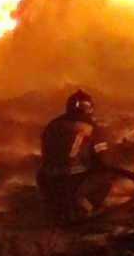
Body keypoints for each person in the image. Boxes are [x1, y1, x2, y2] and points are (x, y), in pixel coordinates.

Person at [36, 89, 112, 224]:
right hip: (72, 180)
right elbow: (102, 160)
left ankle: (54, 209)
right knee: (105, 179)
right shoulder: (91, 127)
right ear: (89, 108)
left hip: (46, 179)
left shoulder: (53, 124)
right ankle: (83, 210)